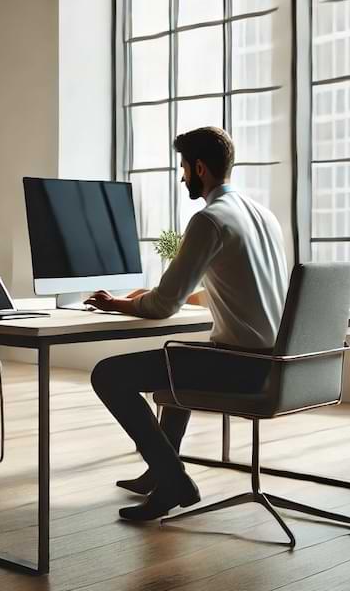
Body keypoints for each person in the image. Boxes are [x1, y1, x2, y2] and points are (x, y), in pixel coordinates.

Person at [85, 126, 289, 522]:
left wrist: (114, 304)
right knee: (179, 358)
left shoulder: (209, 220)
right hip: (275, 362)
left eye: (183, 167)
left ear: (199, 167)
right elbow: (237, 285)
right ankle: (160, 478)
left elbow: (163, 307)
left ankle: (172, 478)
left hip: (241, 367)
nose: (182, 177)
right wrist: (153, 297)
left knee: (108, 375)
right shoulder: (263, 216)